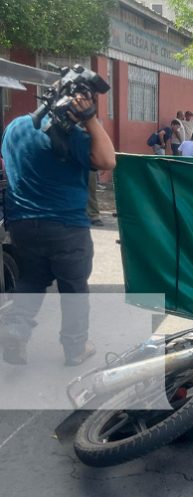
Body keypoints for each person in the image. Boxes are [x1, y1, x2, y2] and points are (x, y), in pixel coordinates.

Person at [0, 92, 117, 366]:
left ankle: (16, 330)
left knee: (32, 278)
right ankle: (75, 349)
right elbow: (108, 161)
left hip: (23, 224)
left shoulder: (15, 126)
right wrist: (91, 121)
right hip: (66, 225)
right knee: (73, 286)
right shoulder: (71, 135)